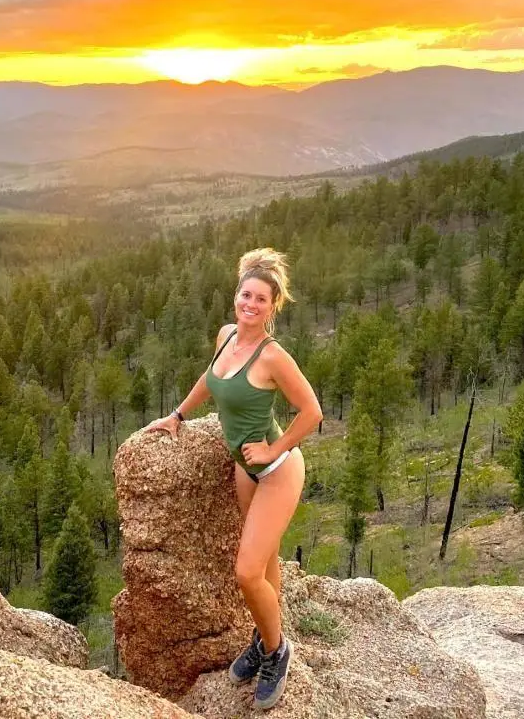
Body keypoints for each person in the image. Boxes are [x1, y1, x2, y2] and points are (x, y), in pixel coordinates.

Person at [143, 247, 323, 709]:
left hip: (278, 471)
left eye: (261, 299)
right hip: (247, 471)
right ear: (236, 296)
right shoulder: (226, 336)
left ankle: (277, 651)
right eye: (246, 295)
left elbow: (312, 412)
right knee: (265, 562)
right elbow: (213, 379)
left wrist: (272, 450)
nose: (251, 304)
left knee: (245, 572)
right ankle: (265, 636)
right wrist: (178, 415)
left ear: (272, 306)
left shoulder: (273, 356)